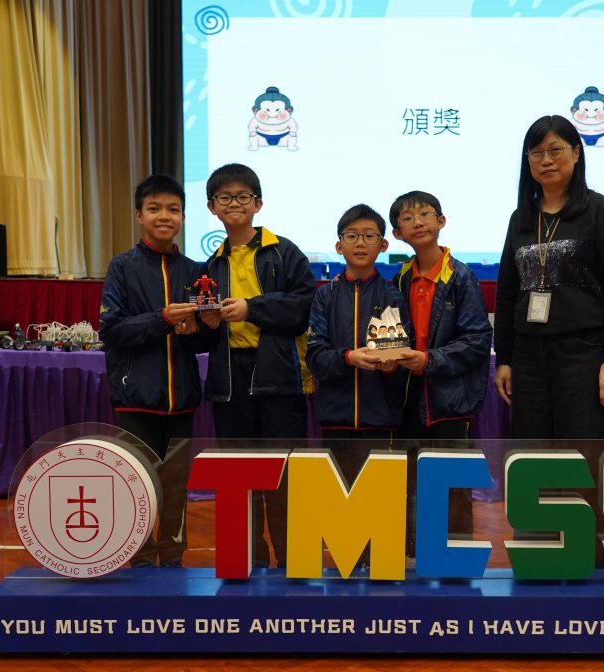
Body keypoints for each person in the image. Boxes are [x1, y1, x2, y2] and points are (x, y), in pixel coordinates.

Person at [199, 162, 315, 570]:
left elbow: (304, 307)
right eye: (225, 198)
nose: (234, 204)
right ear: (212, 207)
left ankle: (292, 559)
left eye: (243, 197)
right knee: (237, 477)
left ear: (258, 204)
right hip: (230, 379)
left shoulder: (284, 252)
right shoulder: (210, 265)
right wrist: (204, 322)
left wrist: (252, 309)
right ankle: (248, 560)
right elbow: (204, 330)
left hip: (279, 376)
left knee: (284, 476)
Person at [493, 114, 604, 439]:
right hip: (528, 357)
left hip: (583, 354)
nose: (546, 160)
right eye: (536, 153)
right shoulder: (520, 218)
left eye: (555, 150)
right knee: (531, 452)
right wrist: (505, 359)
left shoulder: (600, 211)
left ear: (576, 152)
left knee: (581, 453)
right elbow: (507, 293)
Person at [99, 173, 205, 569]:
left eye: (173, 209)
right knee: (137, 483)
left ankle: (174, 557)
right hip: (136, 400)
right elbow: (111, 331)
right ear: (139, 215)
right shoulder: (122, 267)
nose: (165, 216)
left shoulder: (195, 271)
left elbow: (203, 342)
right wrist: (162, 318)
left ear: (183, 217)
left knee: (176, 486)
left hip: (183, 400)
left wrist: (199, 330)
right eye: (155, 208)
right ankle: (140, 560)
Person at [389, 190, 493, 559]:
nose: (417, 222)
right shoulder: (400, 278)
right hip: (408, 395)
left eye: (424, 215)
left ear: (441, 222)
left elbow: (478, 340)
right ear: (397, 234)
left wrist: (430, 360)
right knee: (409, 477)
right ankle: (411, 552)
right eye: (407, 219)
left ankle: (456, 551)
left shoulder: (461, 276)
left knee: (453, 479)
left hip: (449, 398)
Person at [306, 203, 409, 503]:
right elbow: (315, 356)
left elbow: (397, 355)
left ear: (383, 244)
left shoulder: (391, 295)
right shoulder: (325, 296)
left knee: (378, 501)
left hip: (379, 418)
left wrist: (391, 365)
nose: (360, 243)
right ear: (339, 246)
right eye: (351, 236)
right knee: (337, 501)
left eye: (369, 236)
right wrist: (348, 358)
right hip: (334, 418)